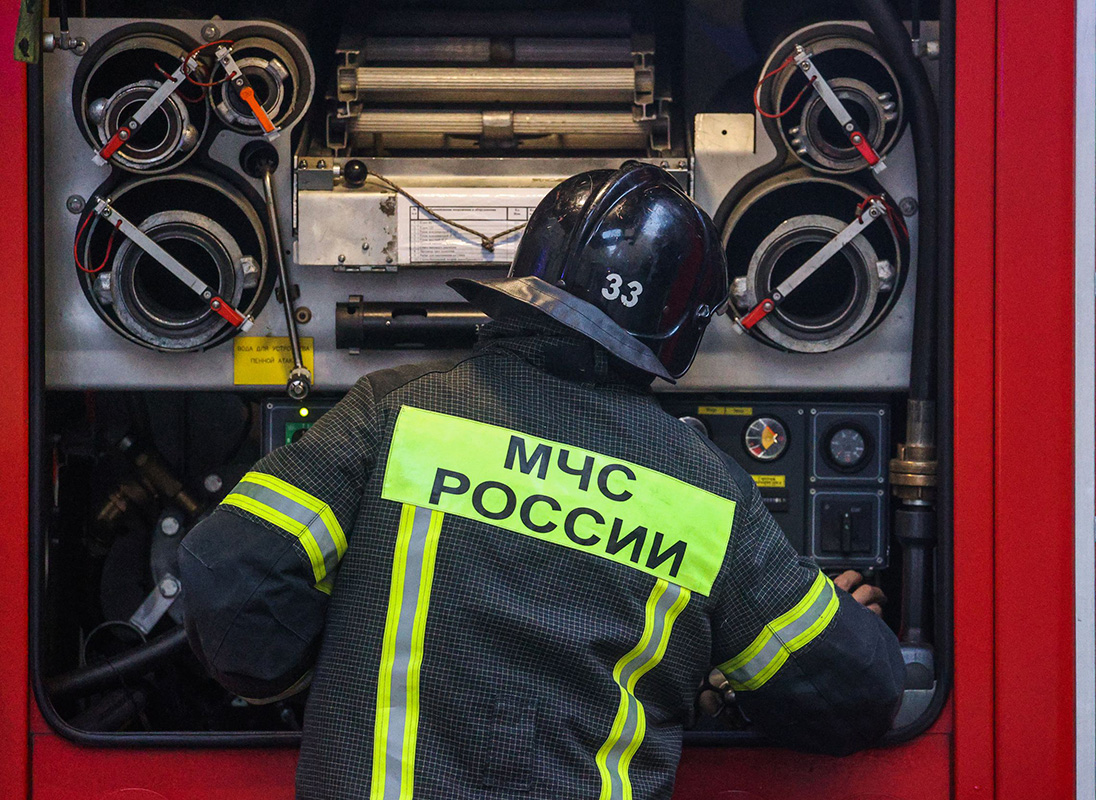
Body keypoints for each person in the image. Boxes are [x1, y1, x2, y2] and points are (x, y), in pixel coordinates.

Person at [179, 161, 905, 800]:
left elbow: (229, 578)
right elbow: (853, 698)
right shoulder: (707, 496)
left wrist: (318, 664)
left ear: (527, 282)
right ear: (681, 328)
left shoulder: (393, 413)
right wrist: (832, 625)